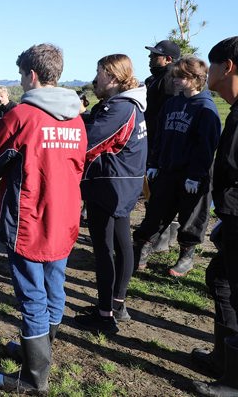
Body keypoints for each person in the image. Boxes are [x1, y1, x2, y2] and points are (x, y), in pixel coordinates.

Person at [0, 44, 86, 394]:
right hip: (66, 217)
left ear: (32, 75)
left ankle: (33, 378)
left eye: (21, 75)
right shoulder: (77, 117)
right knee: (55, 284)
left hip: (29, 219)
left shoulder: (22, 116)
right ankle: (41, 349)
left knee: (31, 295)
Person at [74, 55, 147, 335]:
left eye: (99, 73)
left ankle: (105, 315)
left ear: (113, 77)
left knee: (105, 249)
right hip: (123, 184)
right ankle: (116, 303)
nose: (96, 79)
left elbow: (89, 139)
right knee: (121, 243)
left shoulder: (119, 108)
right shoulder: (129, 105)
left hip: (109, 186)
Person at [133, 55, 221, 277]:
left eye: (180, 76)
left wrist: (195, 175)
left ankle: (186, 257)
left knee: (191, 218)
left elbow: (206, 146)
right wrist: (153, 163)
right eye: (174, 76)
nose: (175, 80)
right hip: (166, 170)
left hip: (193, 175)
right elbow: (160, 136)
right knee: (155, 212)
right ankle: (142, 251)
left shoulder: (206, 108)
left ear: (195, 78)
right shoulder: (172, 103)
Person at [192, 36, 238, 396]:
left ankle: (233, 381)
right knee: (221, 282)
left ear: (228, 67)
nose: (207, 74)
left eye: (212, 66)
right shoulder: (235, 110)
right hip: (231, 219)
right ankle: (223, 360)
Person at [144, 39, 183, 254]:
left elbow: (168, 112)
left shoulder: (169, 78)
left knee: (159, 189)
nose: (150, 59)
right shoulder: (154, 78)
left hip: (160, 142)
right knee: (151, 188)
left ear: (168, 58)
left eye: (154, 55)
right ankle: (160, 235)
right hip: (151, 139)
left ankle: (163, 236)